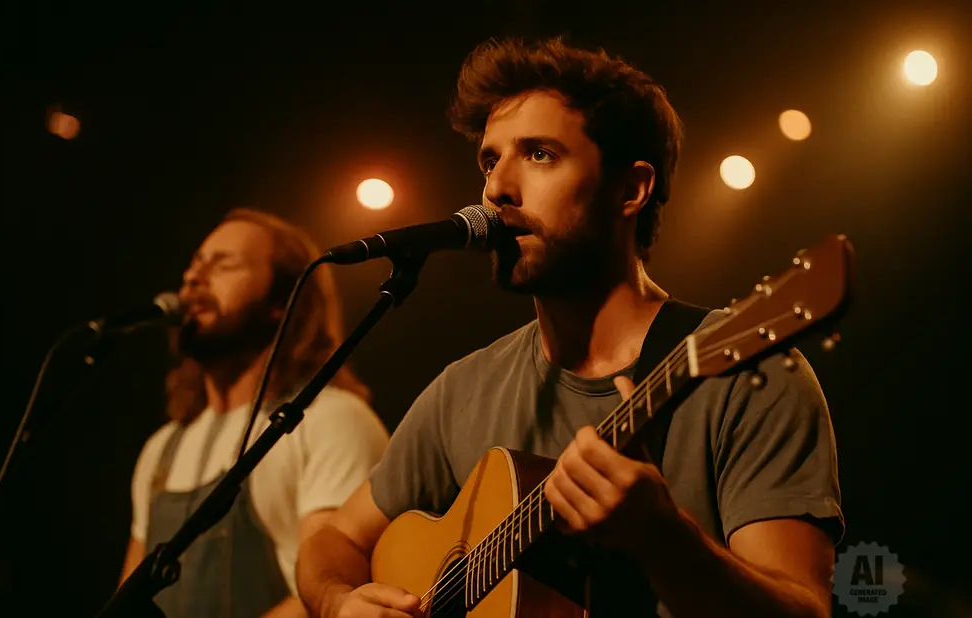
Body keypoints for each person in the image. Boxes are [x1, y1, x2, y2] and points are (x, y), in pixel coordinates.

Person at [295, 37, 843, 618]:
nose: (496, 189)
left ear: (631, 190)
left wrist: (666, 540)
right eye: (490, 159)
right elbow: (333, 540)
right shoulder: (463, 390)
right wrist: (337, 603)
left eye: (539, 155)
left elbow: (804, 610)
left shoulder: (746, 370)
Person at [120, 208, 390, 618]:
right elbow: (130, 596)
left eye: (222, 264)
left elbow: (332, 588)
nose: (194, 278)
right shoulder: (161, 449)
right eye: (194, 264)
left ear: (282, 302)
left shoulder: (330, 421)